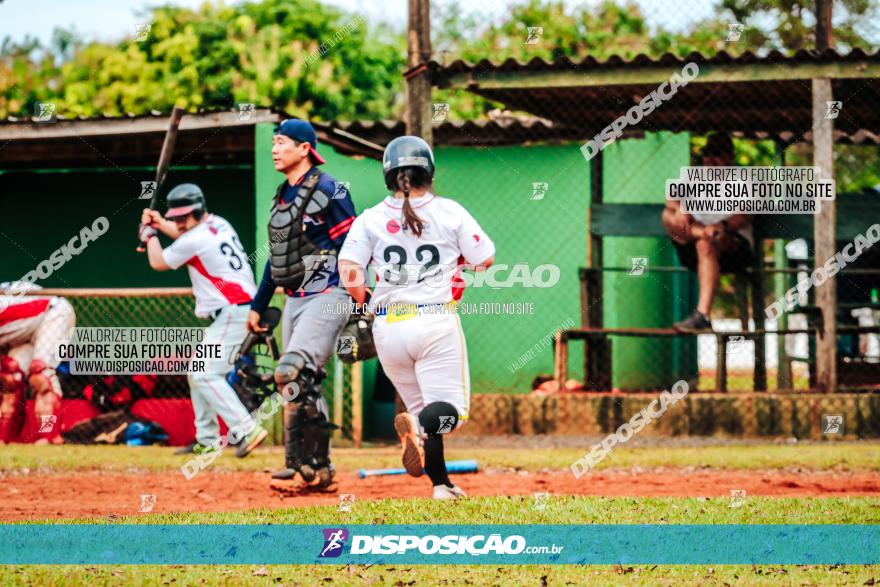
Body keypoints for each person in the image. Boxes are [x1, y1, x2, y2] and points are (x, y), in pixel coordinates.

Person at [338, 135, 496, 500]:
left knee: (424, 412)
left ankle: (442, 485)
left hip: (388, 328)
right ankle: (420, 431)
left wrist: (363, 305)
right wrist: (459, 262)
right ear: (429, 171)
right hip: (433, 322)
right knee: (450, 414)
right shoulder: (448, 211)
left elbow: (350, 272)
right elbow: (484, 260)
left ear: (388, 175)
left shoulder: (371, 218)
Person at [248, 118, 357, 489]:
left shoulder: (331, 189)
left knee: (291, 371)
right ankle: (310, 468)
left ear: (305, 148)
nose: (274, 149)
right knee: (295, 381)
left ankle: (310, 466)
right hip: (294, 298)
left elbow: (353, 246)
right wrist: (257, 305)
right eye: (274, 142)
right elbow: (277, 257)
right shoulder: (283, 194)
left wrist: (360, 296)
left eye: (281, 142)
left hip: (329, 293)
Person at [139, 184, 268, 457]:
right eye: (175, 218)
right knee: (197, 371)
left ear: (198, 212)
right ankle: (207, 439)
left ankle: (248, 429)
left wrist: (149, 233)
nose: (179, 223)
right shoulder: (218, 223)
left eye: (183, 217)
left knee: (205, 374)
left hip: (233, 310)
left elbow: (159, 262)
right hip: (240, 307)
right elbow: (186, 237)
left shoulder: (193, 240)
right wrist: (161, 224)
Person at [662, 133, 754, 332]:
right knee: (667, 215)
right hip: (694, 241)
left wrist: (723, 226)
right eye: (707, 154)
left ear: (730, 156)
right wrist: (680, 208)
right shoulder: (692, 176)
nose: (711, 160)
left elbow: (745, 215)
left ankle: (702, 316)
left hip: (732, 249)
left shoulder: (744, 179)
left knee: (706, 244)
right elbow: (670, 199)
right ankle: (703, 233)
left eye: (717, 155)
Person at [0, 289, 75, 444]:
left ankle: (49, 437)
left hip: (53, 313)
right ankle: (7, 439)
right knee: (10, 380)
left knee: (40, 376)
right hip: (23, 332)